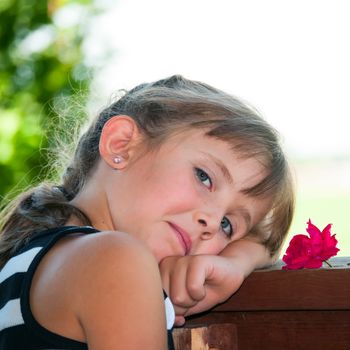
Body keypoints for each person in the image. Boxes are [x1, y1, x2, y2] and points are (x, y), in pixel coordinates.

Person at [0, 75, 294, 349]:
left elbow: (262, 243)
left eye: (228, 225)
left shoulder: (33, 260)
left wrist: (235, 264)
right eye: (204, 177)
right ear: (122, 145)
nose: (212, 222)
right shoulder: (115, 259)